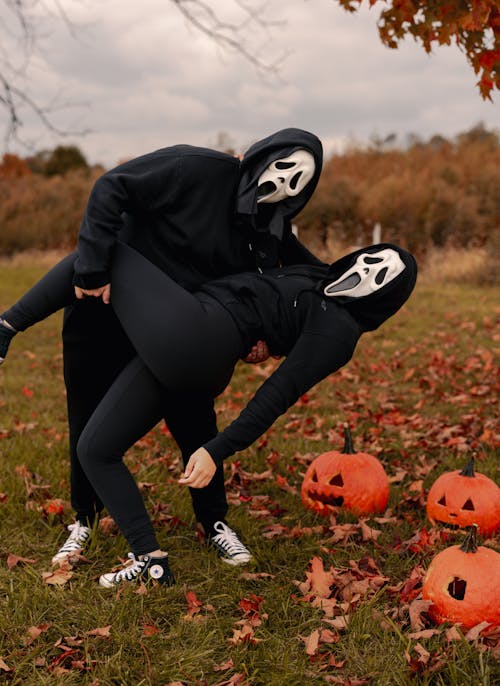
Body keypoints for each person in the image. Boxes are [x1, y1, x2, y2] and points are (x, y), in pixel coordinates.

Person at [0, 241, 417, 587]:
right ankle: (152, 558)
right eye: (371, 260)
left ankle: (7, 327)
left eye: (381, 278)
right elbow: (269, 231)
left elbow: (278, 393)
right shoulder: (315, 274)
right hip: (192, 335)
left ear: (385, 300)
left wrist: (217, 450)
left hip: (201, 333)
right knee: (95, 448)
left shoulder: (338, 331)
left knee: (101, 253)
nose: (367, 273)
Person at [38, 129, 327, 566]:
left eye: (298, 182)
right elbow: (110, 187)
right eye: (280, 167)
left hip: (178, 335)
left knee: (196, 421)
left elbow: (300, 281)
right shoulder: (192, 168)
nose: (281, 184)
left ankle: (213, 520)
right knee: (87, 414)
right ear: (257, 156)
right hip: (106, 307)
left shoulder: (267, 231)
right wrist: (94, 267)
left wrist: (267, 340)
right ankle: (85, 518)